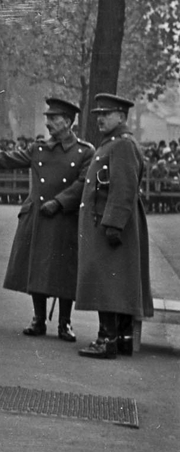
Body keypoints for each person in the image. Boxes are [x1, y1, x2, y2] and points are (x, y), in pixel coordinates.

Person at [0, 98, 94, 341]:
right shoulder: (39, 149)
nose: (47, 122)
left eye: (53, 118)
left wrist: (60, 202)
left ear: (68, 122)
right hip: (38, 215)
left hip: (64, 217)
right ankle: (38, 319)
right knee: (36, 266)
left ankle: (64, 322)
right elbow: (6, 159)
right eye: (47, 118)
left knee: (65, 270)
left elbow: (83, 183)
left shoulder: (84, 151)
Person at [76, 93, 152, 359]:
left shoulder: (121, 145)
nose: (100, 118)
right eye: (97, 114)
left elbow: (124, 188)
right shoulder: (115, 143)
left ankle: (107, 339)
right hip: (110, 221)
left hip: (112, 224)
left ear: (121, 116)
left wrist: (114, 225)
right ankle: (119, 339)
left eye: (106, 114)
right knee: (113, 281)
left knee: (107, 282)